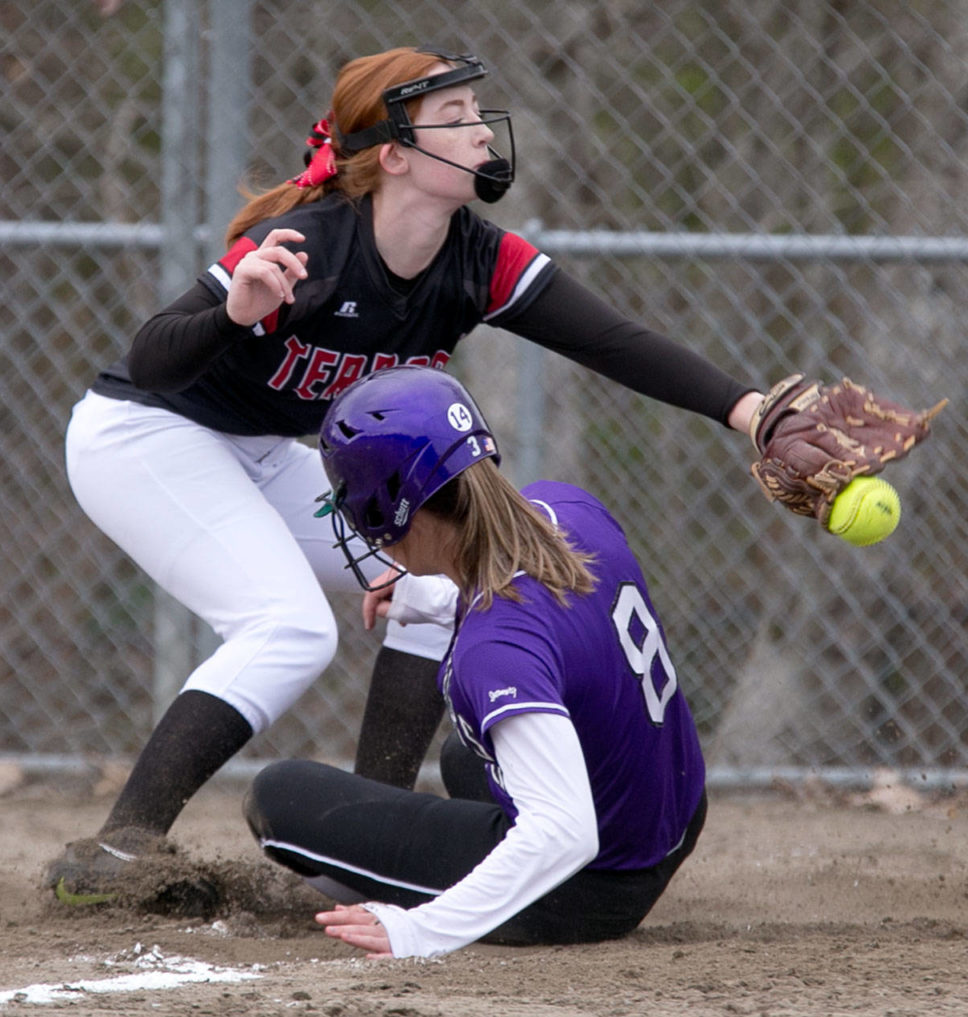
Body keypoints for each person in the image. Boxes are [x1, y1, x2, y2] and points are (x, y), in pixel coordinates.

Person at [45, 44, 762, 904]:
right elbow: (150, 358)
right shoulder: (313, 244)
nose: (479, 135)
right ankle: (118, 853)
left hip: (262, 450)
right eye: (453, 120)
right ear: (393, 154)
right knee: (290, 627)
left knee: (432, 584)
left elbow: (610, 341)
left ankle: (355, 852)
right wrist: (235, 312)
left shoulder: (473, 260)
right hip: (145, 434)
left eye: (474, 116)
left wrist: (748, 411)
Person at [243, 365, 707, 958]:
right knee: (466, 757)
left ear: (389, 507)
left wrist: (420, 931)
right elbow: (561, 616)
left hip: (593, 884)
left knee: (281, 798)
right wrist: (436, 596)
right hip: (674, 816)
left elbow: (564, 832)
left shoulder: (493, 648)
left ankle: (415, 905)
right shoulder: (564, 505)